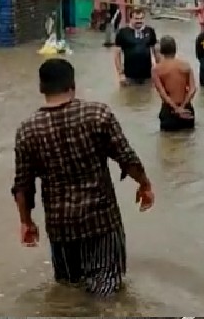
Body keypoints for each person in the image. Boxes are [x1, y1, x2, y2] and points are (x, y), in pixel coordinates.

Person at [12, 58, 154, 296]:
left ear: (41, 87)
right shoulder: (97, 115)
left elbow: (22, 186)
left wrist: (26, 222)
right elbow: (127, 158)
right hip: (101, 223)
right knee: (107, 292)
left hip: (60, 228)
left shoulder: (27, 130)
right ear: (73, 84)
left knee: (69, 291)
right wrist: (145, 184)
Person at [152, 36, 196, 132]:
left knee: (168, 143)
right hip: (187, 110)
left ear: (162, 51)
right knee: (188, 142)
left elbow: (162, 93)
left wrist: (176, 109)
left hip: (169, 110)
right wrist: (183, 107)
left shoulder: (157, 69)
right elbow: (192, 89)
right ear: (175, 49)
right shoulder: (186, 65)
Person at [114, 7, 158, 86]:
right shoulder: (122, 32)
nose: (139, 21)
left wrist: (159, 70)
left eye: (141, 18)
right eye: (136, 19)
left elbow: (156, 51)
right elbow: (117, 55)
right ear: (130, 19)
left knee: (148, 97)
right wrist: (120, 74)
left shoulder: (150, 31)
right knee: (128, 96)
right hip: (129, 76)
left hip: (148, 75)